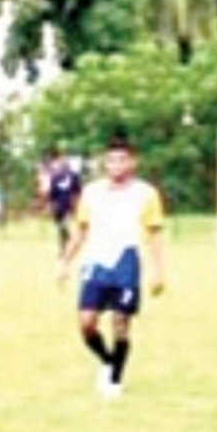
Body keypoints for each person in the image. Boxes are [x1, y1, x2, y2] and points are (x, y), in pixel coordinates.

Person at [57, 134, 165, 399]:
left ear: (132, 162)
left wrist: (158, 270)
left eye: (122, 160)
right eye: (111, 160)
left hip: (126, 261)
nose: (116, 165)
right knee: (86, 323)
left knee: (120, 322)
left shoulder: (146, 194)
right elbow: (80, 231)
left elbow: (154, 234)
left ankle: (115, 379)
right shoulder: (92, 192)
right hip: (96, 261)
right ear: (105, 163)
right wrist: (64, 262)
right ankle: (107, 361)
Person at [45, 148, 82, 255]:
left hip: (68, 206)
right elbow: (52, 193)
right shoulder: (56, 176)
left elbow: (77, 191)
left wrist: (76, 203)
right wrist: (51, 205)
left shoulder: (72, 175)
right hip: (60, 206)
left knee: (65, 226)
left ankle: (67, 247)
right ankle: (65, 247)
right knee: (61, 228)